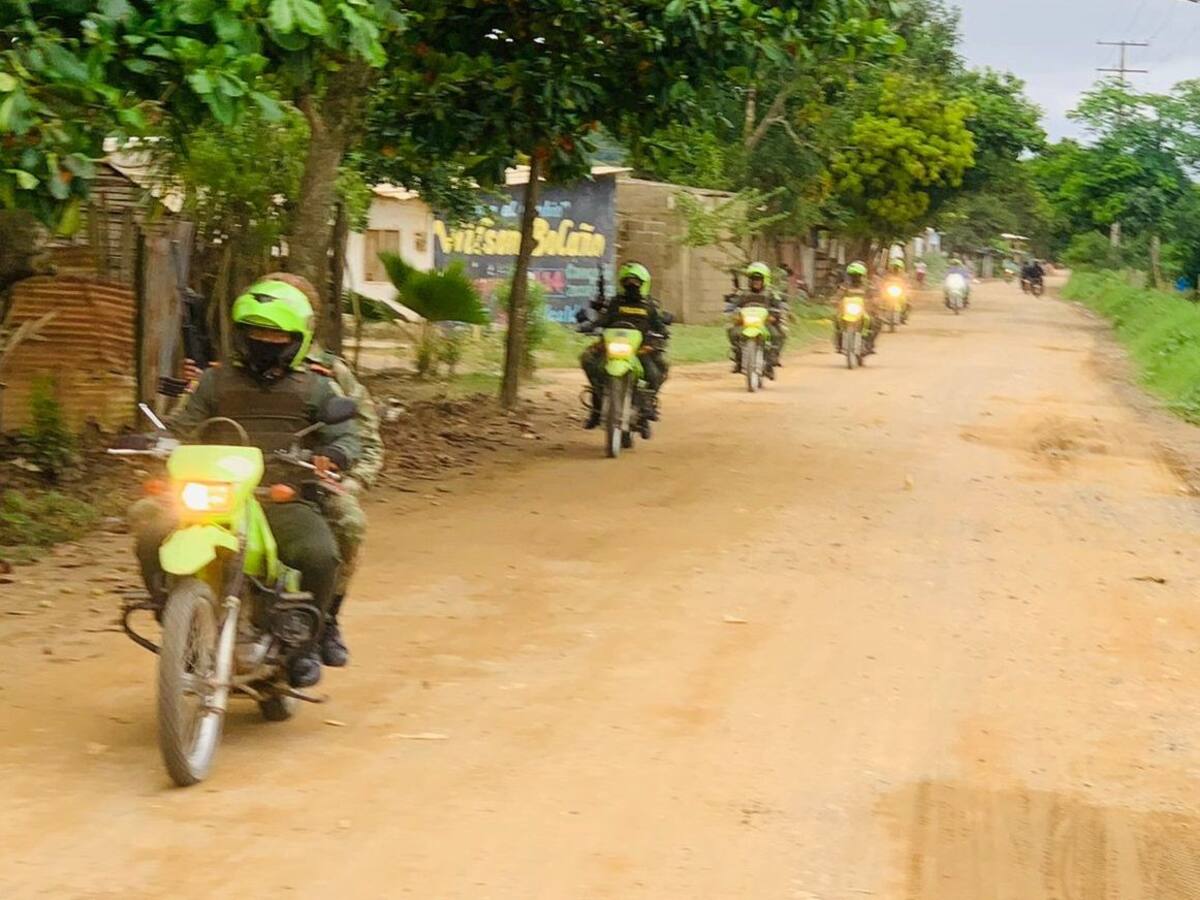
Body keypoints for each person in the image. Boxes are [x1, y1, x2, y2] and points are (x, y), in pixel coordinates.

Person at [129, 278, 359, 689]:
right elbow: (183, 425)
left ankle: (305, 644)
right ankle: (173, 614)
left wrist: (335, 454)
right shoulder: (216, 381)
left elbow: (346, 436)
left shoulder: (318, 385)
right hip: (214, 495)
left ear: (297, 338)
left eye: (275, 335)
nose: (265, 342)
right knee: (151, 536)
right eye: (257, 333)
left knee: (321, 556)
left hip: (280, 498)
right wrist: (154, 442)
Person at [580, 262, 669, 429]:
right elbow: (604, 320)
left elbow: (658, 325)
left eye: (635, 282)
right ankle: (596, 407)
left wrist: (663, 332)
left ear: (643, 284)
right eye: (627, 281)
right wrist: (590, 325)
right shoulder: (616, 303)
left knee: (658, 370)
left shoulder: (649, 305)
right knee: (589, 360)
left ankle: (648, 406)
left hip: (640, 349)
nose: (631, 285)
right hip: (612, 345)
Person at [727, 261, 788, 372]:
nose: (756, 282)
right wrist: (731, 311)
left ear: (764, 280)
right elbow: (734, 304)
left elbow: (778, 305)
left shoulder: (770, 294)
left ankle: (771, 360)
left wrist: (775, 314)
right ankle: (738, 359)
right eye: (753, 280)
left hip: (765, 322)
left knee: (777, 334)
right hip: (746, 322)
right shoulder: (743, 294)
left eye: (759, 280)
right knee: (732, 331)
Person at [833, 261, 881, 355]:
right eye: (853, 275)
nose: (855, 278)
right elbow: (838, 296)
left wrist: (875, 303)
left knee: (876, 322)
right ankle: (839, 343)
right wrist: (835, 301)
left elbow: (874, 296)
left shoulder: (867, 286)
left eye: (858, 275)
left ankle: (869, 344)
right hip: (848, 311)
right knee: (837, 320)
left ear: (862, 275)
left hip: (864, 311)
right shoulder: (845, 286)